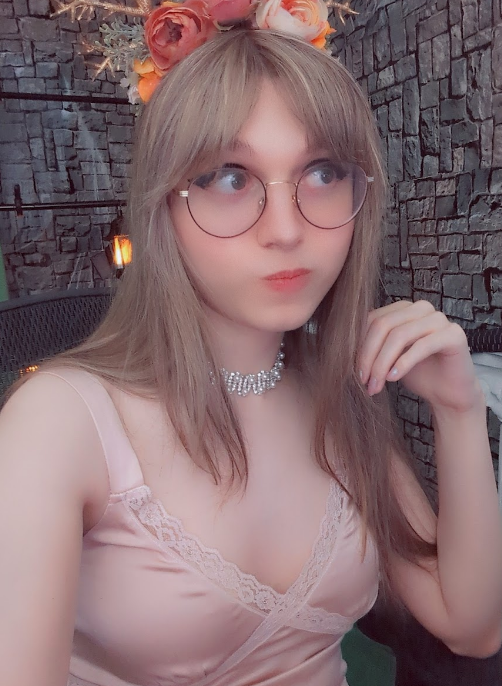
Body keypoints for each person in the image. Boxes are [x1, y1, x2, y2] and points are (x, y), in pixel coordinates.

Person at [0, 25, 501, 686]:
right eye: (230, 177)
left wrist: (460, 408)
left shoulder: (340, 393)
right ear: (162, 208)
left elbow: (473, 625)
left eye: (322, 173)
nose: (287, 229)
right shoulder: (58, 423)